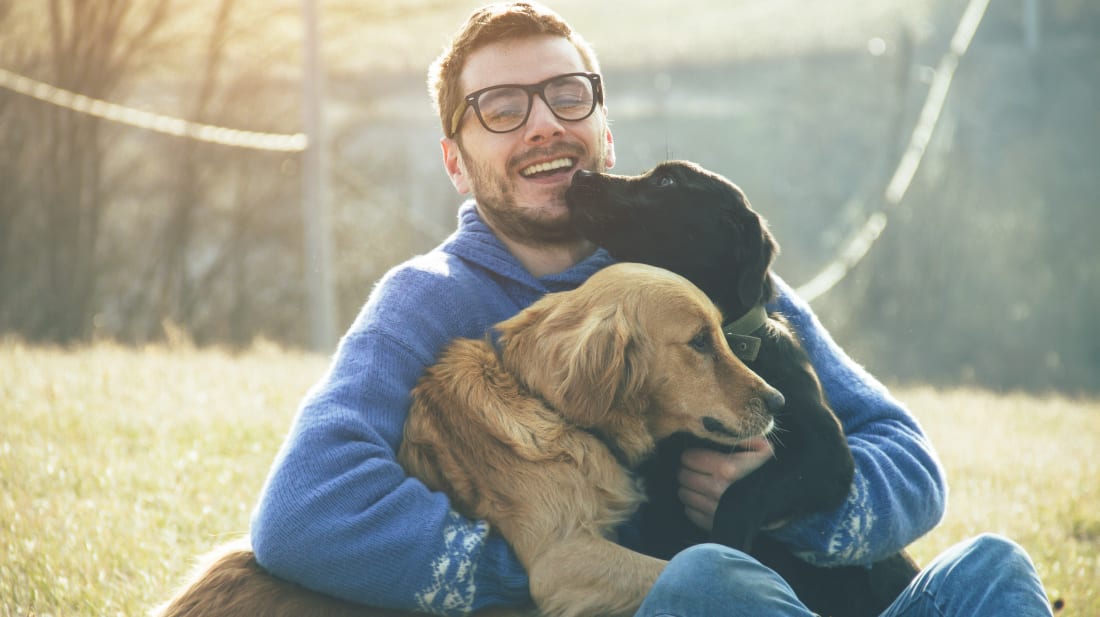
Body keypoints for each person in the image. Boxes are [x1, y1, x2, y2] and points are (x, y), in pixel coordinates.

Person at [250, 2, 1053, 616]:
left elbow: (908, 460)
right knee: (706, 582)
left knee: (992, 566)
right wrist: (539, 555)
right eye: (501, 107)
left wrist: (787, 497)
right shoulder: (424, 303)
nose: (543, 123)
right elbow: (301, 512)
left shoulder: (686, 271)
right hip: (682, 599)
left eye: (568, 94)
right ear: (456, 162)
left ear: (605, 126)